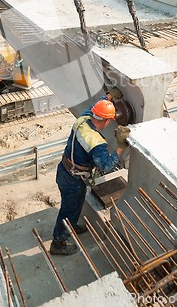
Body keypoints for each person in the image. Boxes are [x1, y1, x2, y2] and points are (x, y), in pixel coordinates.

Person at [50, 90, 130, 256]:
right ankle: (58, 242)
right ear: (108, 121)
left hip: (65, 171)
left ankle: (71, 225)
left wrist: (108, 97)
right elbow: (107, 166)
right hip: (73, 180)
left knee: (76, 204)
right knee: (68, 209)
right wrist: (120, 145)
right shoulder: (96, 143)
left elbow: (95, 107)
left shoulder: (83, 118)